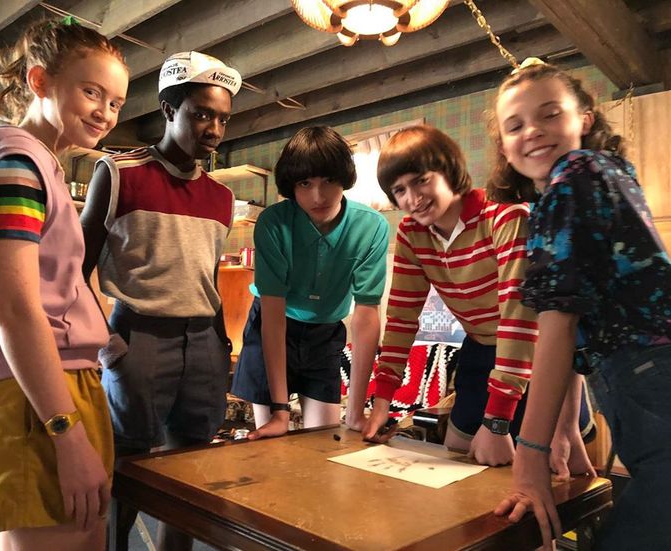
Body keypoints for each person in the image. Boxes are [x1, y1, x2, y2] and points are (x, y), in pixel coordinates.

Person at [0, 17, 127, 550]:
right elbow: (17, 311)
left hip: (54, 386)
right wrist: (65, 433)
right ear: (39, 81)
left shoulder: (41, 165)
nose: (105, 113)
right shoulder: (12, 165)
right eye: (91, 91)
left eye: (115, 102)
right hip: (31, 398)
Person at [489, 60, 671, 550]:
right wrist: (567, 427)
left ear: (584, 118)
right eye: (516, 125)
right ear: (505, 145)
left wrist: (529, 458)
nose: (533, 132)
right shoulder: (605, 173)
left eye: (550, 114)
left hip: (653, 373)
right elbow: (577, 325)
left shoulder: (575, 174)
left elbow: (558, 326)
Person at [80, 51, 240, 549]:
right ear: (170, 109)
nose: (213, 127)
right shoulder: (120, 173)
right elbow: (75, 268)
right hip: (139, 334)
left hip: (204, 339)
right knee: (126, 467)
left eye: (221, 118)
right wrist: (107, 344)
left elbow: (206, 275)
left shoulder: (222, 197)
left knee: (191, 469)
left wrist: (219, 344)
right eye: (201, 113)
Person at [361, 125, 594, 468]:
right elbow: (401, 319)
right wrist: (381, 404)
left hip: (535, 346)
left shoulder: (505, 216)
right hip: (480, 348)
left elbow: (519, 316)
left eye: (422, 180)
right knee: (459, 454)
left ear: (450, 171)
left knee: (552, 462)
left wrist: (497, 421)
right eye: (400, 190)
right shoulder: (412, 235)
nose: (412, 198)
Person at [230, 126, 389, 439]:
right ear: (292, 186)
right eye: (305, 183)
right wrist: (279, 411)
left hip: (325, 332)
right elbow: (273, 316)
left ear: (344, 176)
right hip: (274, 325)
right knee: (271, 442)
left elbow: (367, 314)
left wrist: (355, 411)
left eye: (328, 180)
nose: (318, 196)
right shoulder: (274, 223)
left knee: (323, 442)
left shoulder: (371, 227)